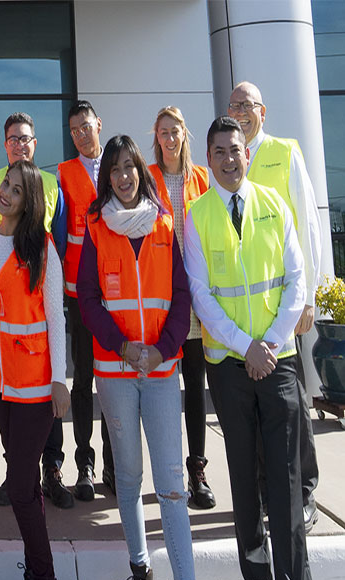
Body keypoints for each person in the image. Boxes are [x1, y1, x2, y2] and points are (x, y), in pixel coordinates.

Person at [185, 117, 326, 580]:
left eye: (236, 149)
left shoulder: (274, 202)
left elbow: (296, 278)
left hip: (279, 360)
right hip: (230, 366)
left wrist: (268, 345)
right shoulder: (197, 217)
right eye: (218, 150)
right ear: (209, 156)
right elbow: (201, 295)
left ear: (248, 152)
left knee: (286, 485)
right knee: (244, 481)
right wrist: (247, 349)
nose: (229, 158)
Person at [78, 135, 217, 580]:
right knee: (130, 481)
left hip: (160, 371)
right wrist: (123, 347)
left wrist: (164, 347)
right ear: (107, 177)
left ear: (141, 170)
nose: (123, 176)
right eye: (114, 169)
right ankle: (140, 572)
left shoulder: (163, 224)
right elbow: (88, 300)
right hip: (116, 374)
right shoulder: (96, 228)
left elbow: (181, 294)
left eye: (129, 167)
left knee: (172, 485)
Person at [0, 160, 69, 580]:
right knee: (25, 486)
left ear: (30, 200)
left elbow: (56, 317)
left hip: (35, 386)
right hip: (0, 387)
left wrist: (61, 381)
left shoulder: (42, 249)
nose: (5, 194)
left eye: (15, 189)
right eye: (3, 186)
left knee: (19, 482)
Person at [228, 81, 323, 532]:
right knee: (264, 410)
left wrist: (308, 298)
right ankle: (271, 493)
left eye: (247, 105)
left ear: (263, 110)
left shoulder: (284, 152)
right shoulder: (227, 164)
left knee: (294, 406)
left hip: (287, 307)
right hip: (249, 320)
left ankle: (303, 493)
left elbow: (308, 221)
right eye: (234, 106)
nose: (241, 112)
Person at [0, 112, 71, 510]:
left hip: (38, 304)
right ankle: (19, 475)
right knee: (12, 429)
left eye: (26, 138)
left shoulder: (52, 184)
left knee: (45, 411)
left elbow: (61, 238)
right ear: (5, 144)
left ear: (35, 143)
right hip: (3, 340)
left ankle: (53, 471)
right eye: (13, 138)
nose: (20, 143)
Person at [148, 105, 214, 510]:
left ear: (185, 134)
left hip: (197, 297)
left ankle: (197, 469)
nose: (169, 138)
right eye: (162, 132)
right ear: (155, 137)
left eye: (175, 131)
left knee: (195, 387)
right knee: (163, 390)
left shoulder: (203, 179)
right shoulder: (148, 179)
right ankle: (168, 470)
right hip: (162, 298)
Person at [57, 100, 114, 500]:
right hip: (79, 293)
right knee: (83, 381)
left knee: (115, 380)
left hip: (119, 292)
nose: (80, 134)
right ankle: (85, 465)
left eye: (85, 126)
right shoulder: (63, 174)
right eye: (74, 129)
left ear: (98, 124)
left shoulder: (121, 166)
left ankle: (115, 463)